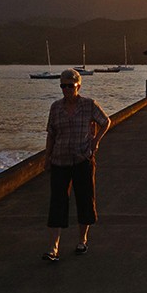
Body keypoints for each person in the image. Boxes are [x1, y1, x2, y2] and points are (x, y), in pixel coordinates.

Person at [42, 69, 111, 262]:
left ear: (78, 86)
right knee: (57, 202)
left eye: (69, 86)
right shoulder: (55, 107)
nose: (66, 89)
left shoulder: (89, 105)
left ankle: (82, 240)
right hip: (59, 160)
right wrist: (47, 157)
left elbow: (106, 121)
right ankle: (53, 247)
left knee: (85, 199)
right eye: (62, 85)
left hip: (82, 159)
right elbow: (51, 134)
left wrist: (96, 140)